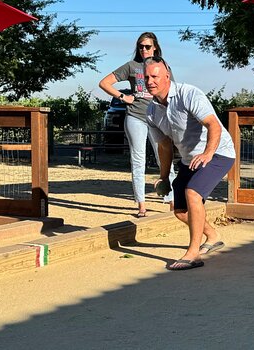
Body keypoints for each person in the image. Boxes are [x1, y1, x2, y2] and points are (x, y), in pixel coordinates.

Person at [143, 56, 236, 271]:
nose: (150, 81)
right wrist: (163, 177)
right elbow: (164, 146)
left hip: (218, 153)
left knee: (193, 193)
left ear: (167, 76)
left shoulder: (189, 94)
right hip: (190, 159)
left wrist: (208, 153)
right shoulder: (151, 111)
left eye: (155, 76)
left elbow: (213, 125)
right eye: (146, 77)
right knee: (180, 210)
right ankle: (213, 236)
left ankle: (193, 254)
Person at [99, 32, 176, 217]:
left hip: (157, 118)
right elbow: (104, 83)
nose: (144, 49)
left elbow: (171, 90)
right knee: (138, 160)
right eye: (141, 46)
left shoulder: (163, 66)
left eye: (147, 46)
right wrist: (123, 97)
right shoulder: (131, 66)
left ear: (155, 47)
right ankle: (141, 206)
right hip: (135, 117)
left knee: (164, 159)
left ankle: (172, 201)